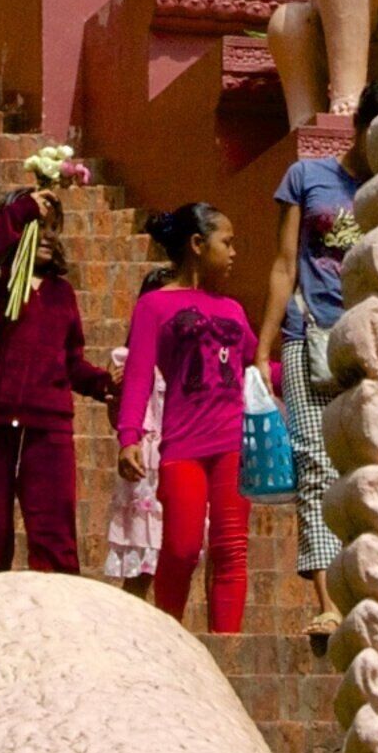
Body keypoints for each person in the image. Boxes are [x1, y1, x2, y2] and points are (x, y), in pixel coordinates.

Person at [261, 79, 378, 646]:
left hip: (372, 340)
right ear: (359, 124)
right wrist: (262, 349)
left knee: (370, 468)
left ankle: (372, 588)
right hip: (307, 332)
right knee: (316, 464)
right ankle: (327, 601)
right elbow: (285, 264)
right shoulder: (308, 176)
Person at [0, 146, 111, 576]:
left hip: (48, 427)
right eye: (36, 227)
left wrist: (102, 383)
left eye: (52, 228)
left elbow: (71, 361)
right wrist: (22, 209)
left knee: (56, 537)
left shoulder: (62, 294)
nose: (47, 235)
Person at [114, 203, 254, 632]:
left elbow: (257, 367)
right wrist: (129, 436)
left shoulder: (234, 309)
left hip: (233, 444)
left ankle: (227, 647)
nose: (233, 254)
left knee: (231, 549)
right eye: (226, 243)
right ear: (197, 244)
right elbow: (138, 375)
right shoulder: (154, 306)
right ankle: (168, 637)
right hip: (183, 446)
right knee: (181, 547)